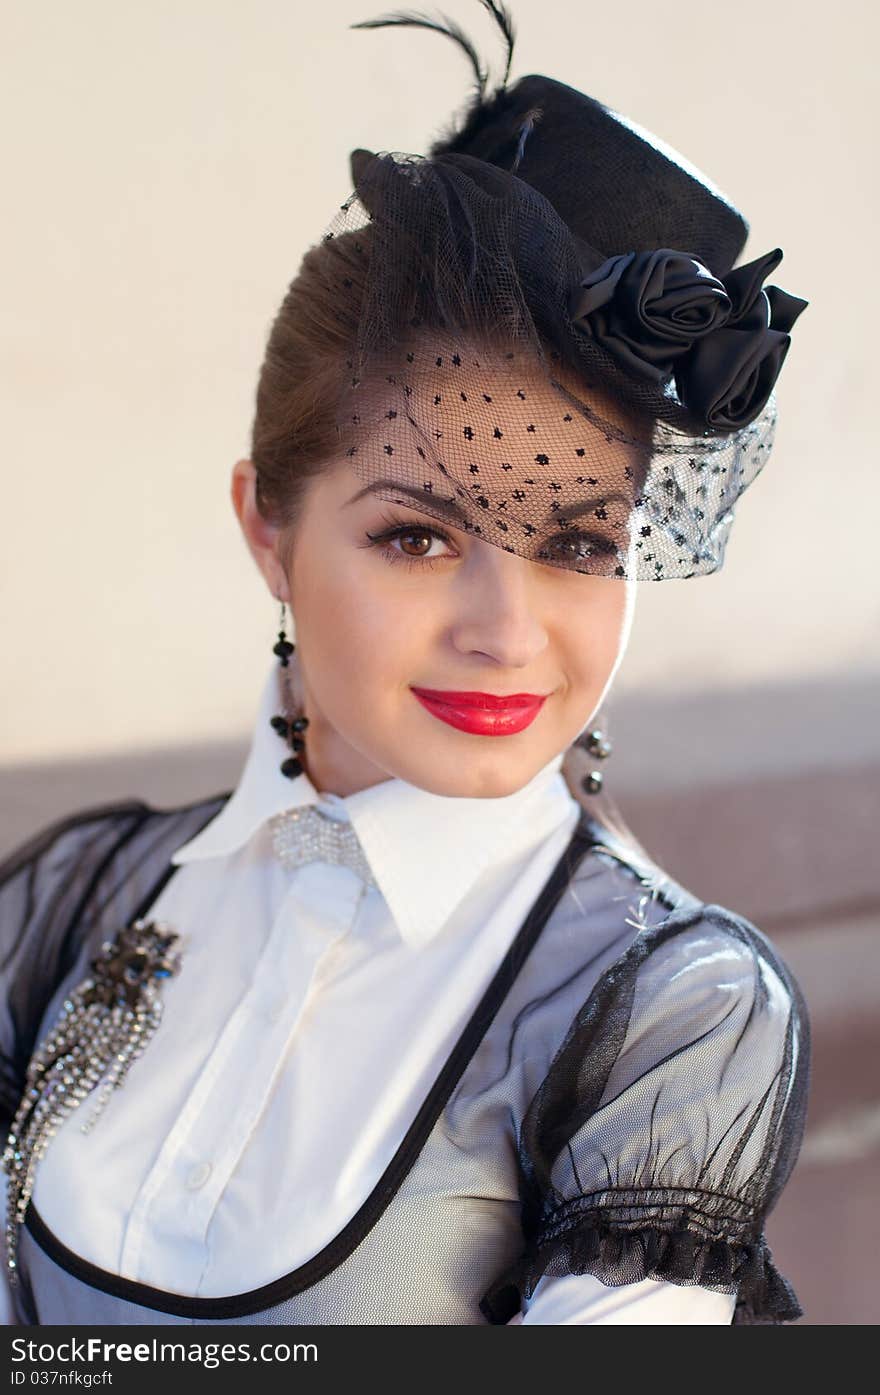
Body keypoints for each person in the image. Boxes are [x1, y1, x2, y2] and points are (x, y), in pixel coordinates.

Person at [0, 1, 811, 1325]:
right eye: (420, 535)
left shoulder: (670, 1013)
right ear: (269, 526)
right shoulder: (72, 898)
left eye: (579, 540)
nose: (507, 627)